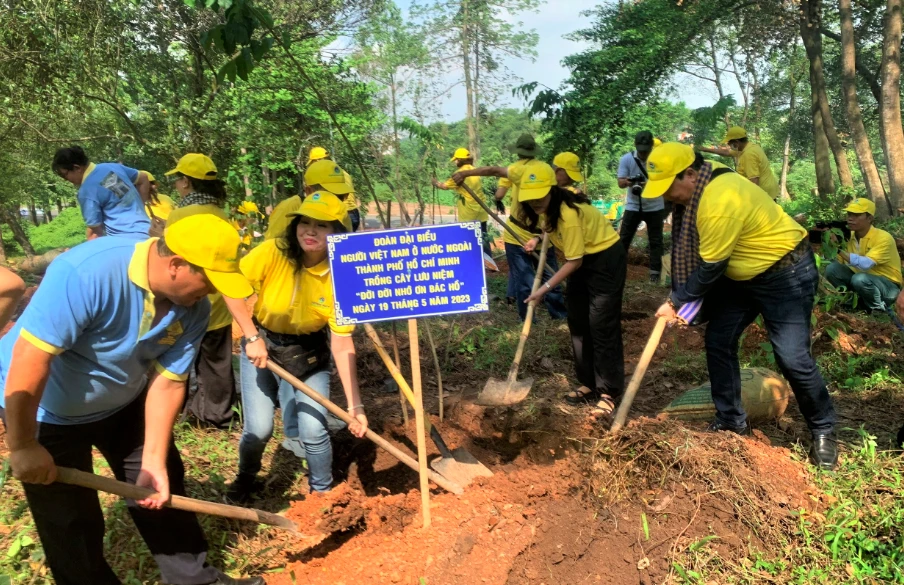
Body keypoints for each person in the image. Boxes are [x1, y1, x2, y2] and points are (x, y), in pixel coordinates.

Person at [0, 213, 263, 585]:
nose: (213, 293)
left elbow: (169, 381)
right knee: (69, 519)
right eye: (209, 281)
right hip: (47, 409)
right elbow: (32, 357)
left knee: (160, 485)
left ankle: (196, 581)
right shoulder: (88, 272)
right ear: (176, 265)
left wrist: (153, 458)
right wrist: (24, 444)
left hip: (123, 402)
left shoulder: (195, 309)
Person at [646, 143, 838, 470]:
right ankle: (731, 420)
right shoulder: (702, 185)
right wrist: (684, 306)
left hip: (785, 272)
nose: (666, 197)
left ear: (691, 175)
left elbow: (709, 269)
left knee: (792, 357)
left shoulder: (718, 201)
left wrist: (675, 302)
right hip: (743, 274)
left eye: (669, 188)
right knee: (719, 340)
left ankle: (823, 428)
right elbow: (710, 266)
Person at [226, 190, 367, 501]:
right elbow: (231, 289)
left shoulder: (343, 276)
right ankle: (245, 479)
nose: (311, 231)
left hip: (309, 352)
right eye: (305, 222)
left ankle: (322, 495)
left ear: (337, 233)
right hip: (262, 345)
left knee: (314, 429)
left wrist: (355, 408)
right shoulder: (273, 251)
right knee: (259, 430)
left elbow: (342, 345)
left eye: (322, 225)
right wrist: (251, 337)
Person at [517, 162, 626, 414]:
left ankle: (608, 390)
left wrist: (543, 289)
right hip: (583, 258)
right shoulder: (548, 210)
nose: (534, 202)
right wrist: (538, 237)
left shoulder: (568, 214)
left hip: (605, 258)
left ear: (552, 189)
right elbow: (553, 233)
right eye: (529, 198)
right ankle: (588, 382)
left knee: (601, 323)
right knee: (577, 321)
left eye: (539, 196)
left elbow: (574, 261)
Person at [452, 134, 567, 321]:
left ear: (519, 152)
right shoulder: (546, 168)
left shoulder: (517, 169)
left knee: (525, 281)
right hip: (539, 233)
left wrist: (465, 173)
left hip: (527, 235)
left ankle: (528, 318)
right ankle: (558, 316)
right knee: (550, 278)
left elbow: (493, 170)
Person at [166, 154, 239, 428]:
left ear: (186, 182)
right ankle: (219, 417)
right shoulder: (221, 213)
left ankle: (179, 413)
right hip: (220, 298)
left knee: (181, 359)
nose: (176, 185)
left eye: (177, 179)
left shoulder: (179, 215)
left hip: (188, 297)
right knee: (218, 363)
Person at [52, 146, 151, 240]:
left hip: (126, 241)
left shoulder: (87, 191)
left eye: (65, 175)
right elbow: (144, 178)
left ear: (77, 168)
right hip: (149, 231)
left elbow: (95, 232)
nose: (66, 180)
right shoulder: (112, 167)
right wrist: (140, 206)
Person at [825, 198, 902, 314]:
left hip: (888, 287)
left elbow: (865, 264)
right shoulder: (848, 236)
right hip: (863, 282)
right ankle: (852, 304)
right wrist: (830, 243)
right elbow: (838, 262)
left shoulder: (883, 238)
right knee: (832, 269)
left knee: (859, 279)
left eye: (856, 215)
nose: (850, 218)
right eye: (849, 214)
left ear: (870, 218)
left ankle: (878, 309)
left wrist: (838, 249)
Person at [617, 131, 666, 283]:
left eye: (646, 150)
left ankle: (654, 273)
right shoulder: (627, 159)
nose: (643, 154)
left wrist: (648, 184)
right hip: (633, 205)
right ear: (635, 145)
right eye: (641, 150)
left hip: (655, 206)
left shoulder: (659, 160)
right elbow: (620, 183)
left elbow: (664, 182)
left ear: (652, 146)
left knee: (656, 241)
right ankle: (617, 270)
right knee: (623, 239)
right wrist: (629, 182)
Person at [432, 147, 491, 256]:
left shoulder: (459, 173)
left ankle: (473, 262)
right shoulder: (474, 170)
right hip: (481, 209)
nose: (455, 162)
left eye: (456, 160)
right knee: (483, 238)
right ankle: (490, 264)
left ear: (460, 160)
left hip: (468, 212)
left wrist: (435, 183)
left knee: (469, 240)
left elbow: (445, 186)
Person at [699, 126, 779, 200]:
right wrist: (705, 149)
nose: (729, 146)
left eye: (729, 143)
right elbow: (727, 152)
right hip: (769, 189)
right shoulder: (748, 146)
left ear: (736, 142)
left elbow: (754, 181)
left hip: (763, 194)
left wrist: (748, 200)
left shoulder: (748, 155)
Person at [142, 171, 176, 237]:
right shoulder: (136, 204)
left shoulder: (166, 198)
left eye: (152, 183)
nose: (152, 186)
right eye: (149, 184)